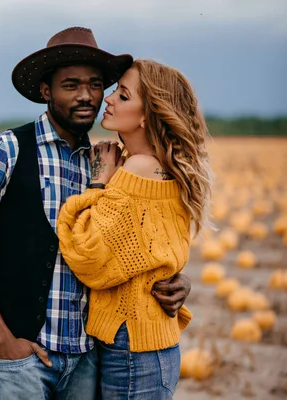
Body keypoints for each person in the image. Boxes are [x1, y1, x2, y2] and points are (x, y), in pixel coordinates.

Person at [0, 27, 192, 400]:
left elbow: (134, 245)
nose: (86, 96)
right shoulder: (4, 151)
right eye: (70, 85)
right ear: (46, 91)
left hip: (90, 357)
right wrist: (4, 341)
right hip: (24, 359)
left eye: (95, 84)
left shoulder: (109, 163)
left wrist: (177, 279)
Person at [57, 59, 213, 399]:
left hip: (132, 348)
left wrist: (97, 182)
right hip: (148, 343)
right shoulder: (159, 166)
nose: (109, 99)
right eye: (115, 90)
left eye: (123, 95)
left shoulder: (140, 168)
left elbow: (88, 256)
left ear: (148, 115)